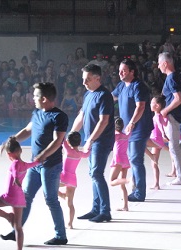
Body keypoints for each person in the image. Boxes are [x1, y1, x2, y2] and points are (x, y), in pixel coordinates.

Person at [0, 82, 69, 245]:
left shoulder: (59, 117)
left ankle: (61, 235)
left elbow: (57, 140)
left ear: (44, 98)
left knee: (51, 199)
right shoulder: (37, 112)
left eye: (36, 96)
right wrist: (11, 141)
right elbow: (27, 130)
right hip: (34, 165)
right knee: (25, 197)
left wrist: (43, 156)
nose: (33, 98)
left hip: (50, 166)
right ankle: (16, 230)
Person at [71, 64, 115, 222]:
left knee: (96, 173)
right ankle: (96, 208)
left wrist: (90, 140)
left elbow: (104, 121)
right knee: (93, 174)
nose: (84, 83)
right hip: (93, 140)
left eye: (88, 79)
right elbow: (81, 116)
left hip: (101, 141)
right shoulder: (88, 95)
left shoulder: (104, 95)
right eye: (83, 79)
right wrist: (71, 134)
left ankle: (105, 211)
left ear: (98, 78)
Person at [0, 136, 40, 250]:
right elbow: (33, 164)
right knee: (18, 227)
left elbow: (14, 170)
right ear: (20, 150)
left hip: (9, 197)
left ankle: (7, 216)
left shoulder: (14, 163)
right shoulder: (25, 164)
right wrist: (41, 160)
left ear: (9, 154)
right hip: (20, 198)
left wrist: (16, 178)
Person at [112, 59, 154, 202]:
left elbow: (140, 106)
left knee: (136, 159)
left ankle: (139, 192)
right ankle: (135, 188)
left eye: (123, 70)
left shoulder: (138, 86)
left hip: (139, 128)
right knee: (133, 159)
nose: (120, 73)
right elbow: (111, 97)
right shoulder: (121, 86)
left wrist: (132, 122)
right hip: (127, 129)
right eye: (119, 70)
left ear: (132, 71)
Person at [158, 52, 181, 185]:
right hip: (173, 115)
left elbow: (178, 99)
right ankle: (178, 174)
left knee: (173, 147)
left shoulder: (172, 78)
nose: (158, 67)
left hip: (172, 115)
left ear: (165, 63)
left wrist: (165, 110)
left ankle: (180, 177)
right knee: (172, 145)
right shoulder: (173, 77)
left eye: (159, 64)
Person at [58, 131, 90, 229]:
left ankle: (62, 195)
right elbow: (87, 153)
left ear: (68, 141)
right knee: (70, 204)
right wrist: (90, 144)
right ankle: (70, 223)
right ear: (79, 142)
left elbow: (62, 140)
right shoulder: (80, 154)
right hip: (72, 179)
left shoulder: (67, 150)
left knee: (50, 186)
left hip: (63, 177)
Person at [110, 117, 131, 211]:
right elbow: (130, 129)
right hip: (124, 158)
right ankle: (125, 206)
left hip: (118, 159)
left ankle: (128, 180)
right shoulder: (126, 135)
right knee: (122, 185)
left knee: (112, 181)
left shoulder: (115, 135)